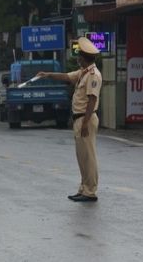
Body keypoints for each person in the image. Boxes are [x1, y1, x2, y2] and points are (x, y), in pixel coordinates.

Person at [36, 37, 102, 202]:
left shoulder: (93, 75)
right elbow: (66, 77)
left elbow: (92, 100)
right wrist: (48, 74)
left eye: (79, 56)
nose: (78, 59)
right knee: (82, 157)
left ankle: (90, 191)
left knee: (89, 156)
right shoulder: (83, 73)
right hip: (79, 119)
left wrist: (85, 123)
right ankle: (83, 188)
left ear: (85, 57)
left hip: (86, 119)